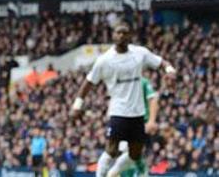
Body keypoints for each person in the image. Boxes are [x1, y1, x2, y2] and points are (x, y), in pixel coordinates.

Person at [70, 23, 176, 177]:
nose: (121, 36)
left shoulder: (140, 53)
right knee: (112, 149)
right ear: (113, 35)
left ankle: (114, 172)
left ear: (130, 35)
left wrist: (170, 70)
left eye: (124, 33)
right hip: (118, 112)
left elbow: (161, 62)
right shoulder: (104, 60)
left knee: (135, 154)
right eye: (118, 33)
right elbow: (88, 83)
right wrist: (77, 105)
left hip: (138, 114)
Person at [119, 77, 160, 177]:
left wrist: (151, 121)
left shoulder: (144, 82)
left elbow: (154, 100)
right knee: (125, 151)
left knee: (130, 151)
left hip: (141, 122)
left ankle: (142, 172)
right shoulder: (122, 83)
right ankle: (141, 172)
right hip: (126, 122)